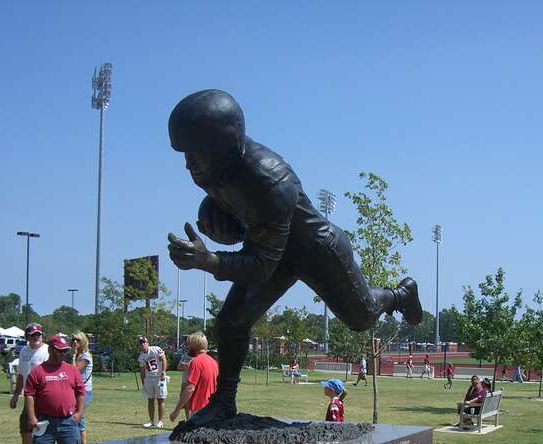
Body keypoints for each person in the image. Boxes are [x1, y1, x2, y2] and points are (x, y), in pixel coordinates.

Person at [166, 89, 422, 426]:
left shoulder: (271, 179)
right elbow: (246, 221)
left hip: (316, 249)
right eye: (186, 154)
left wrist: (209, 260)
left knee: (362, 318)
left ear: (226, 148)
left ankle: (399, 294)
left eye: (197, 154)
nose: (189, 164)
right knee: (230, 321)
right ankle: (224, 401)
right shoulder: (211, 168)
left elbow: (259, 269)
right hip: (271, 248)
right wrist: (217, 218)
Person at [23, 335, 85, 444]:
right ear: (50, 349)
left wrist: (79, 412)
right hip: (44, 420)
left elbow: (80, 392)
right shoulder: (38, 372)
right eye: (59, 351)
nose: (62, 354)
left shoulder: (72, 370)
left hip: (68, 420)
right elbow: (29, 395)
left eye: (64, 351)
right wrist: (31, 417)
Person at [9, 323, 49, 444]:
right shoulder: (24, 352)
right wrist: (15, 395)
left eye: (38, 334)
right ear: (27, 337)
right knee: (25, 430)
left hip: (44, 398)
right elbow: (21, 375)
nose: (36, 337)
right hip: (28, 397)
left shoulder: (46, 351)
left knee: (48, 432)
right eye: (33, 335)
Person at [170, 332, 218, 422]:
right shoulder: (213, 362)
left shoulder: (196, 362)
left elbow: (190, 388)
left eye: (188, 345)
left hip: (200, 410)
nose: (187, 347)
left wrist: (176, 411)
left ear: (194, 345)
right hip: (211, 409)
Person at [138, 336, 168, 428]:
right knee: (150, 400)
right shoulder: (141, 357)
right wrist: (143, 382)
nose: (143, 344)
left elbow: (164, 360)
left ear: (147, 343)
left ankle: (160, 421)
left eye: (144, 342)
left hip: (159, 377)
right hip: (149, 379)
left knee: (160, 399)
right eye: (141, 343)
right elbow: (142, 370)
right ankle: (151, 421)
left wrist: (163, 372)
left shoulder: (156, 349)